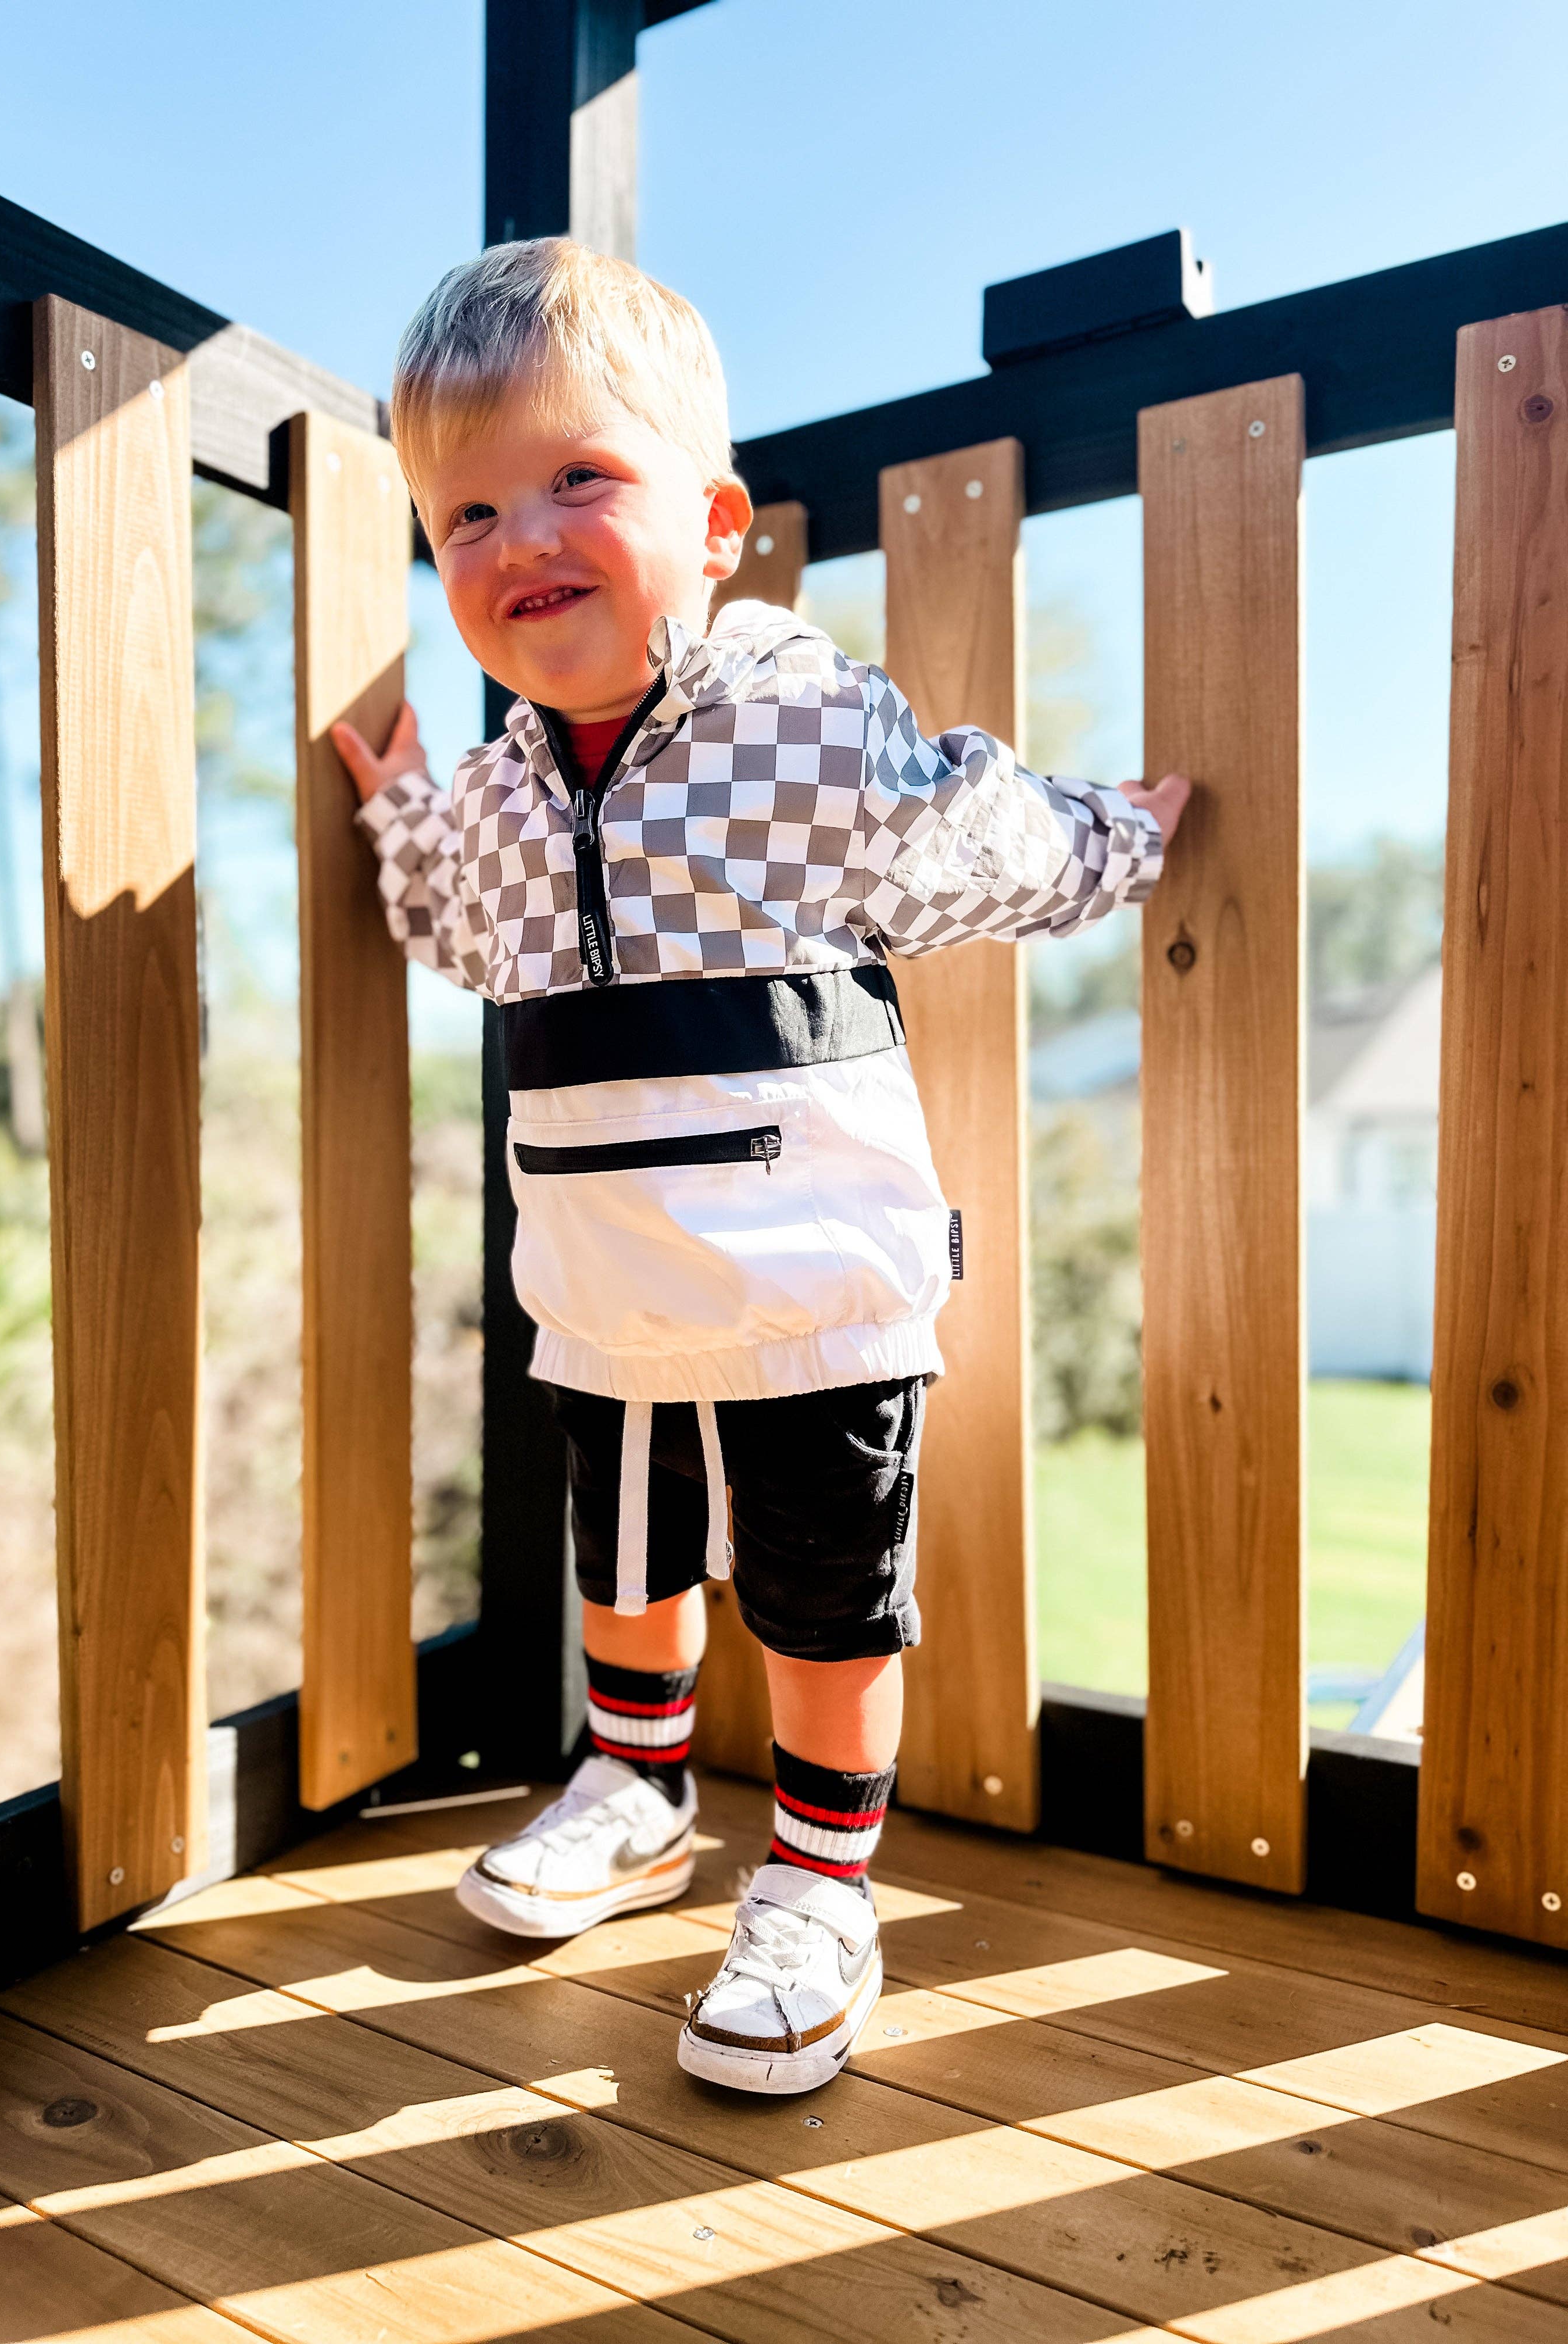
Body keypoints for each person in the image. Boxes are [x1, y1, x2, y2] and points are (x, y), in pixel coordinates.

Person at [334, 238, 1190, 2097]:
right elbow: (444, 918)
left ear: (712, 522)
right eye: (465, 508)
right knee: (622, 1559)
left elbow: (976, 834)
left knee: (819, 1594)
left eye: (579, 477)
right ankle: (634, 1787)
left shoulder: (800, 725)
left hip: (811, 1277)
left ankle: (817, 1882)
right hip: (608, 1280)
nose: (519, 535)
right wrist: (397, 798)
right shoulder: (496, 795)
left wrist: (1121, 831)